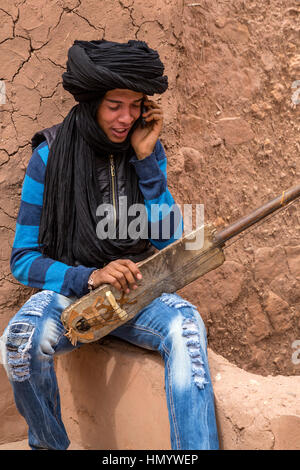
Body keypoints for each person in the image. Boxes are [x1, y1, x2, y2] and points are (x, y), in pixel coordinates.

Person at [0, 40, 219, 450]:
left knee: (186, 327)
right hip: (70, 295)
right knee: (19, 343)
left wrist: (147, 161)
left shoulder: (148, 154)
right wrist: (90, 276)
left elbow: (173, 242)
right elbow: (23, 259)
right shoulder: (49, 157)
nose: (126, 117)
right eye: (115, 105)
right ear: (91, 103)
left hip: (136, 291)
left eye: (135, 105)